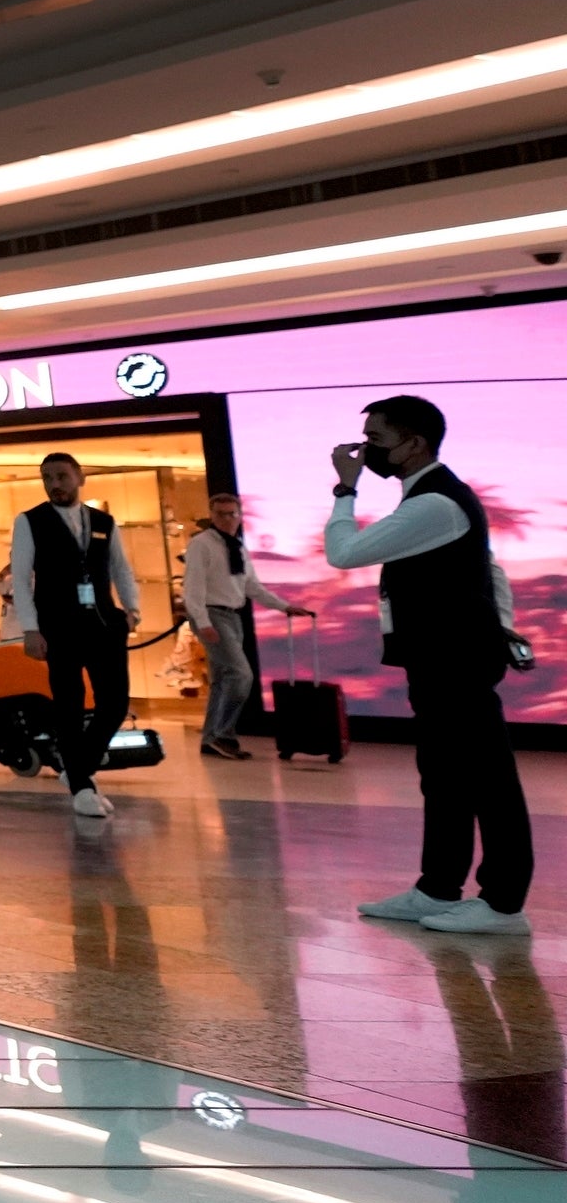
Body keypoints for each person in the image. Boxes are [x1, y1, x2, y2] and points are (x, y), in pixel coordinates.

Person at [335, 395, 533, 935]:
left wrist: (345, 488)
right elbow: (490, 569)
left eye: (375, 440)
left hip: (458, 661)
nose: (363, 450)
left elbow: (343, 552)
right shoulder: (428, 497)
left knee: (488, 779)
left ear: (414, 443)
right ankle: (438, 887)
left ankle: (504, 904)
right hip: (438, 658)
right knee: (443, 775)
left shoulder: (434, 503)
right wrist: (503, 619)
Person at [0, 450, 142, 820]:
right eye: (47, 478)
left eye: (61, 476)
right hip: (58, 625)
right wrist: (30, 628)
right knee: (70, 703)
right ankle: (81, 785)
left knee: (115, 703)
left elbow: (120, 568)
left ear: (80, 478)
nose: (55, 484)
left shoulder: (103, 522)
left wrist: (132, 608)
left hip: (105, 624)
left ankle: (77, 768)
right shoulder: (30, 521)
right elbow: (21, 579)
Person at [184, 491, 309, 762]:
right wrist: (203, 622)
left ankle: (210, 739)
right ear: (212, 516)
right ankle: (223, 735)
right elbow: (192, 587)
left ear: (240, 516)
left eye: (232, 513)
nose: (228, 519)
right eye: (221, 514)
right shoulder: (201, 544)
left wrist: (283, 606)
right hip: (212, 613)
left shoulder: (237, 546)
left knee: (222, 680)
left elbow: (251, 585)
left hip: (232, 615)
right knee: (241, 675)